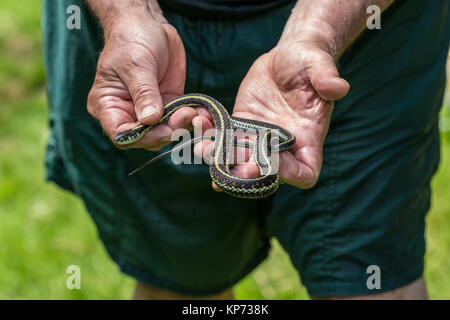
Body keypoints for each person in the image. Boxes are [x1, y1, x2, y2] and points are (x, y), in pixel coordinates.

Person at [42, 0, 450, 299]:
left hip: (372, 30)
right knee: (181, 284)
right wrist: (127, 14)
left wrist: (317, 31)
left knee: (372, 282)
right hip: (132, 34)